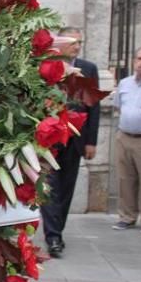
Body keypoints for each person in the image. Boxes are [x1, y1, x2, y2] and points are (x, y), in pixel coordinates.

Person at [41, 27, 100, 255]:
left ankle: (57, 231)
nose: (77, 46)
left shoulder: (88, 68)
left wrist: (91, 141)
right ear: (60, 43)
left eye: (79, 42)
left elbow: (94, 106)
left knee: (66, 188)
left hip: (75, 139)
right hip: (50, 139)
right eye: (73, 42)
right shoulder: (46, 65)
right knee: (50, 187)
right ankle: (53, 237)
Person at [113, 45, 141, 234]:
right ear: (134, 61)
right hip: (124, 137)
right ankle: (127, 217)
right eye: (140, 58)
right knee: (125, 179)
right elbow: (119, 107)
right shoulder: (125, 83)